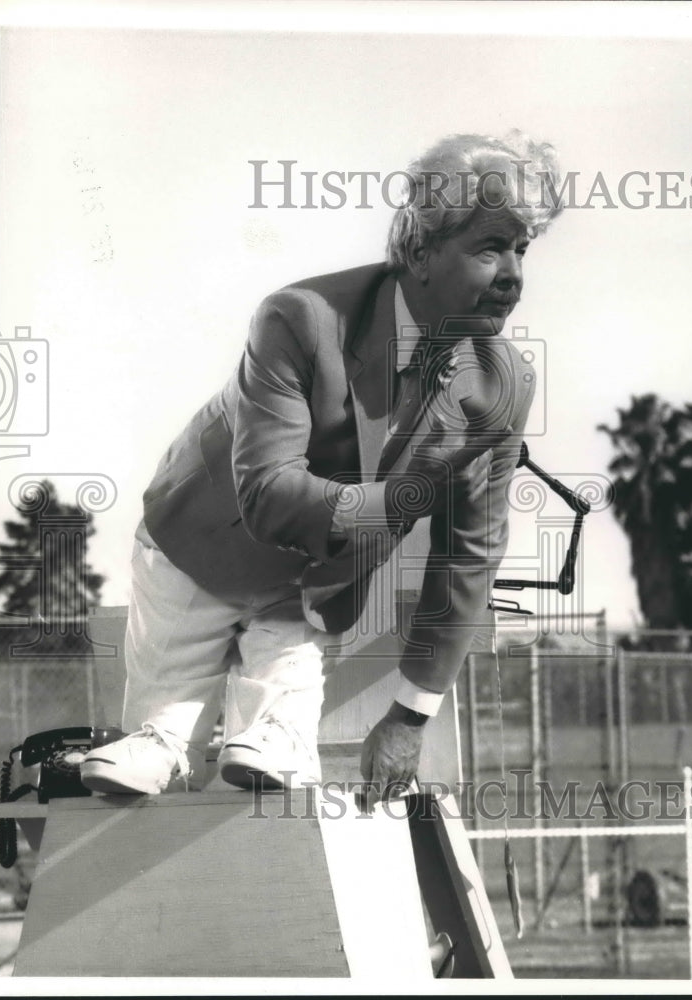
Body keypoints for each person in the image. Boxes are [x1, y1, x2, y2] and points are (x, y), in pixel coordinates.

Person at [81, 131, 563, 800]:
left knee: (273, 759)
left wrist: (409, 717)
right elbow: (271, 494)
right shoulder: (301, 318)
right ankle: (162, 740)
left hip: (308, 583)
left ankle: (268, 752)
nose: (513, 275)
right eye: (488, 249)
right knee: (156, 754)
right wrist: (398, 501)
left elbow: (469, 558)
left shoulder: (501, 384)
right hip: (199, 543)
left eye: (521, 250)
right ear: (420, 251)